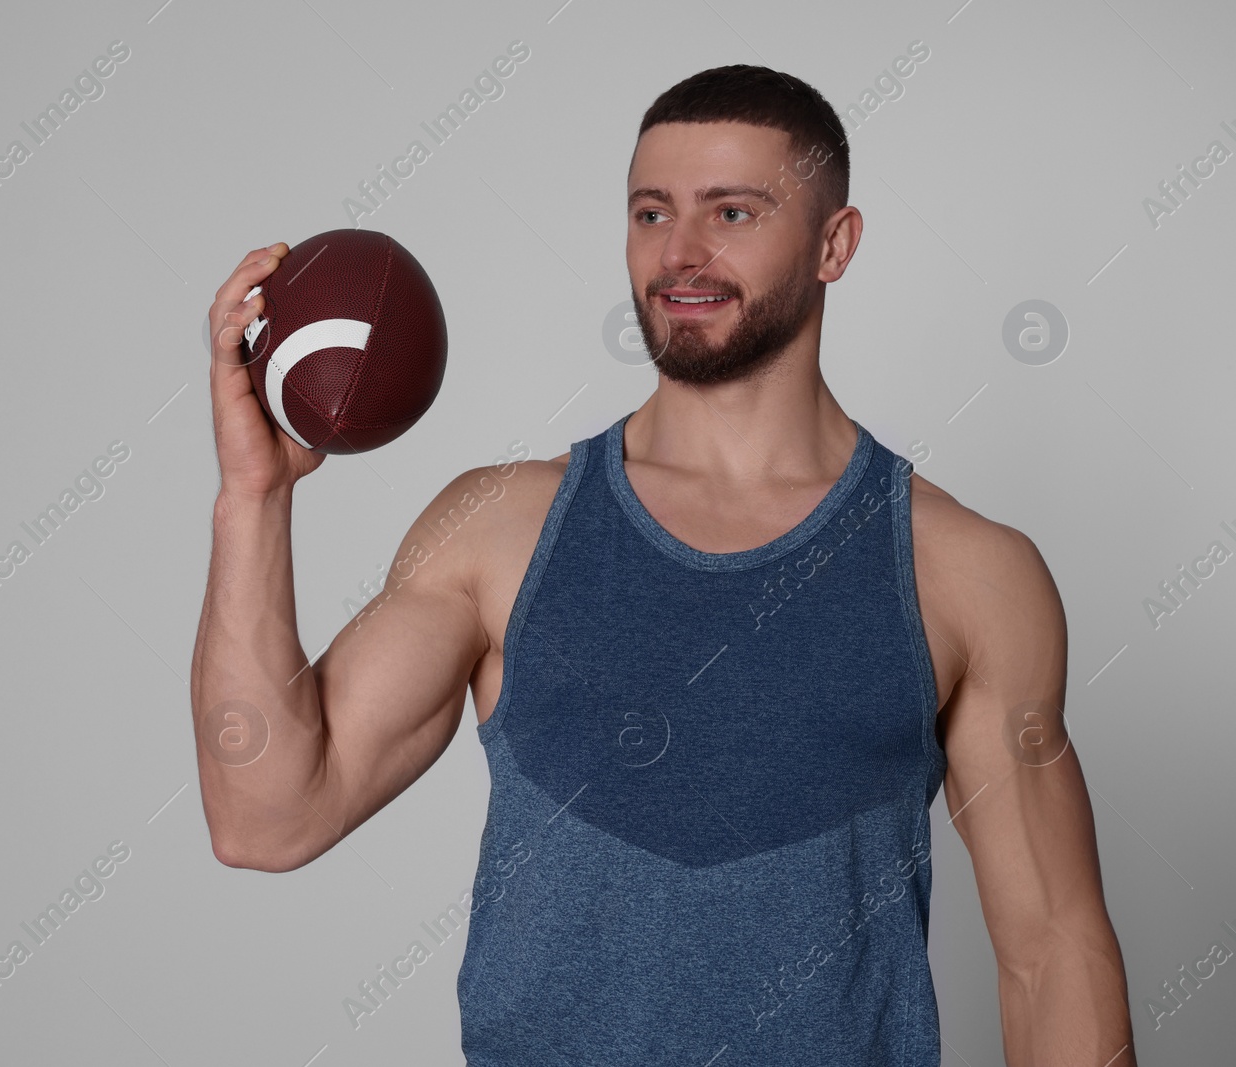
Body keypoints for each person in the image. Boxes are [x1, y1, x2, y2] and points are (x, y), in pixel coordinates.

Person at [192, 64, 1135, 1067]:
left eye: (730, 211)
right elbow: (268, 814)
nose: (680, 252)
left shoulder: (961, 570)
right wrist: (254, 498)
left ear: (834, 243)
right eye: (651, 212)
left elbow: (1051, 950)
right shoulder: (499, 529)